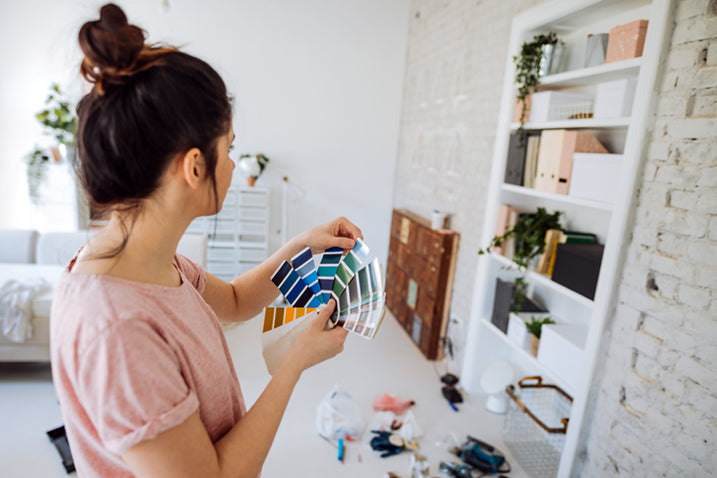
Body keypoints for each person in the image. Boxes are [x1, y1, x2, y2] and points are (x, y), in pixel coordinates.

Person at [50, 4, 359, 477]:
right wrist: (295, 363)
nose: (233, 165)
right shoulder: (117, 331)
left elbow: (235, 301)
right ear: (194, 167)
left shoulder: (147, 261)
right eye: (228, 148)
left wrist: (303, 247)